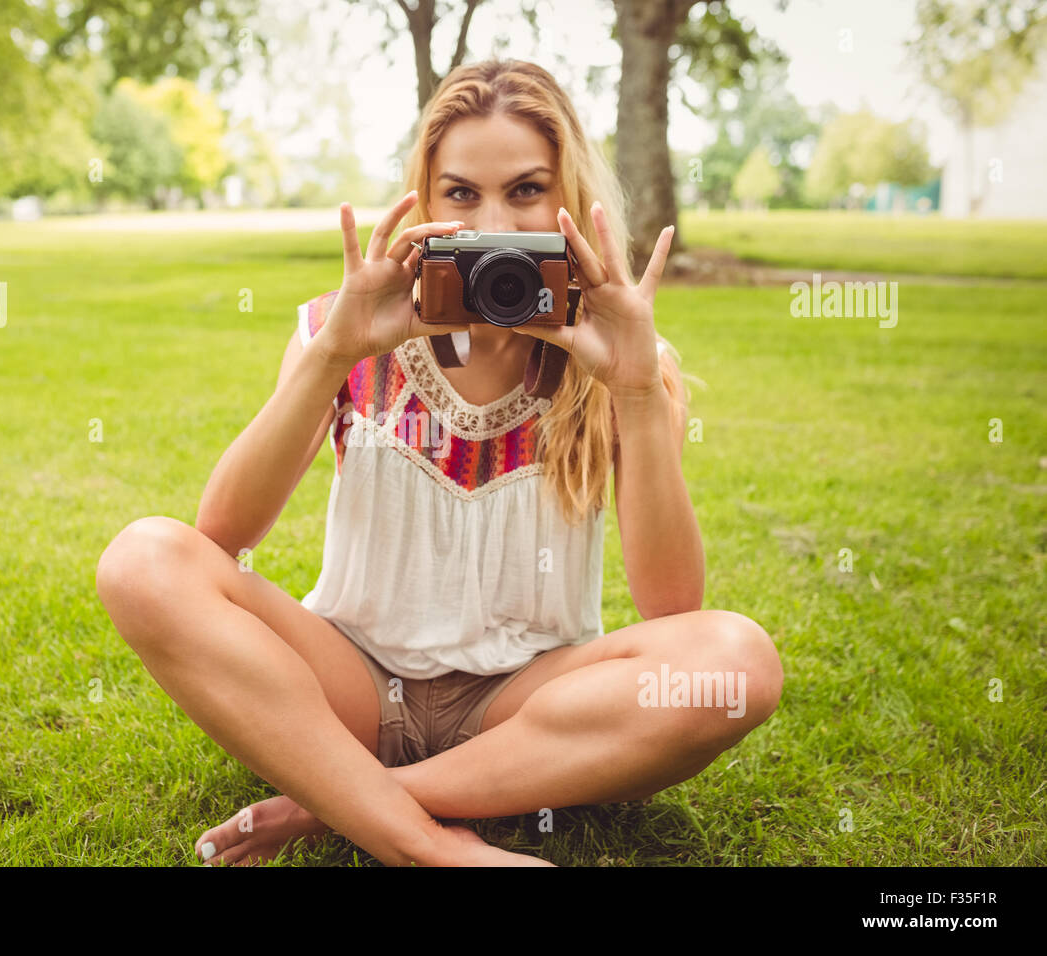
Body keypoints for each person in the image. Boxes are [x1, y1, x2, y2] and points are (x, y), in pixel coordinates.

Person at [95, 59, 783, 867]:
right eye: (461, 193)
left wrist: (635, 391)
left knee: (735, 664)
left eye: (526, 190)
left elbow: (674, 614)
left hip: (525, 711)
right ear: (424, 198)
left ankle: (332, 800)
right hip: (349, 687)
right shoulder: (344, 328)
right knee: (143, 559)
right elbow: (221, 537)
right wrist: (331, 357)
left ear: (568, 196)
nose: (492, 222)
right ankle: (421, 843)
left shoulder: (624, 357)